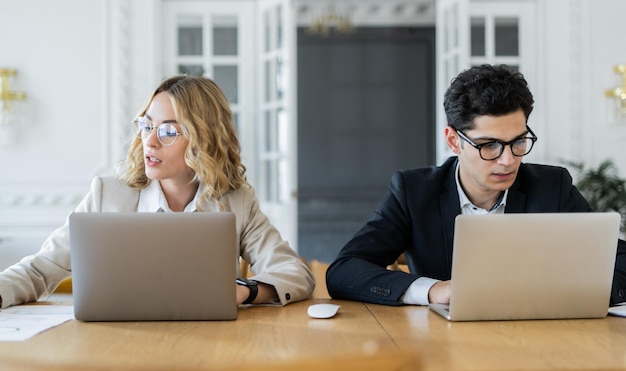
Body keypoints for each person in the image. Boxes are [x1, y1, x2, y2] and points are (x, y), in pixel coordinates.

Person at [0, 75, 314, 308]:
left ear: (204, 139)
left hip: (215, 346)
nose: (149, 141)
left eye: (167, 131)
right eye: (147, 125)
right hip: (114, 348)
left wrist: (245, 290)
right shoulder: (106, 194)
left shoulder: (236, 201)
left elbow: (293, 272)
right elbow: (39, 271)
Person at [326, 64, 626, 306]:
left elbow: (620, 262)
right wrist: (433, 291)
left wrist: (571, 291)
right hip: (442, 346)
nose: (508, 160)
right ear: (454, 140)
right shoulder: (413, 191)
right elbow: (345, 271)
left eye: (518, 141)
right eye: (489, 145)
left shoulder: (552, 186)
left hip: (538, 340)